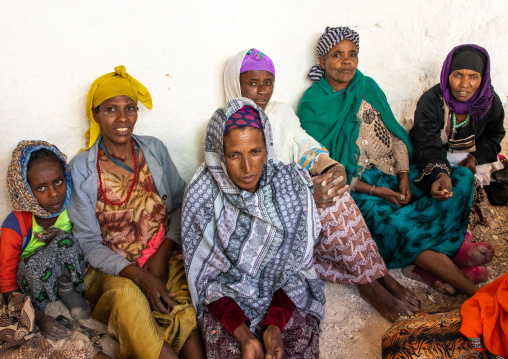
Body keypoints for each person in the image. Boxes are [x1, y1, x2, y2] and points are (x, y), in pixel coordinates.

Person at [223, 48, 420, 322]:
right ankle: (369, 286)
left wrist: (328, 165)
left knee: (333, 190)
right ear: (235, 83)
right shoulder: (224, 124)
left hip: (290, 191)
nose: (262, 92)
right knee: (324, 205)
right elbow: (240, 188)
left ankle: (377, 274)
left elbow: (300, 142)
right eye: (252, 84)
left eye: (267, 83)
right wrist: (302, 195)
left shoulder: (279, 112)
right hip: (261, 211)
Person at [298, 26, 492, 297]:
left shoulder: (368, 87)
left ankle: (430, 259)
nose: (346, 61)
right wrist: (378, 191)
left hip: (396, 172)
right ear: (322, 60)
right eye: (337, 55)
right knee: (396, 224)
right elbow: (324, 166)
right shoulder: (313, 103)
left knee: (459, 179)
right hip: (361, 188)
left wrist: (403, 175)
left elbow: (396, 137)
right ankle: (473, 291)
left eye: (352, 54)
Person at [67, 66, 204, 359]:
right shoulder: (82, 169)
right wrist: (139, 277)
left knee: (185, 308)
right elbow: (88, 243)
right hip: (113, 271)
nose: (122, 118)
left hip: (161, 258)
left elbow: (180, 202)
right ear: (96, 114)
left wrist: (164, 252)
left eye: (129, 108)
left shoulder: (153, 150)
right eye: (111, 109)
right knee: (130, 303)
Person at [182, 98, 325, 358]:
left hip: (285, 299)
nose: (247, 168)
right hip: (228, 308)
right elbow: (207, 282)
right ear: (218, 153)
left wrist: (274, 326)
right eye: (234, 155)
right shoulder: (202, 195)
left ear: (267, 146)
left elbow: (299, 270)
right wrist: (245, 336)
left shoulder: (290, 184)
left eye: (255, 152)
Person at [0, 140, 90, 341]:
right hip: (36, 289)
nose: (54, 193)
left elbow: (89, 243)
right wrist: (39, 318)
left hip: (70, 280)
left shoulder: (72, 208)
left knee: (64, 241)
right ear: (24, 190)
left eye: (58, 182)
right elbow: (6, 281)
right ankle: (50, 308)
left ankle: (71, 293)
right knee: (30, 265)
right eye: (41, 188)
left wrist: (63, 237)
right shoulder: (15, 225)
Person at [412, 45, 505, 206]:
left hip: (471, 155)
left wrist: (475, 160)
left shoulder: (489, 101)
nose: (464, 84)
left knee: (467, 183)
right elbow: (426, 144)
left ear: (483, 78)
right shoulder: (431, 101)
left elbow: (494, 135)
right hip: (437, 153)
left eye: (473, 76)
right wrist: (440, 173)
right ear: (447, 73)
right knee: (430, 184)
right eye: (458, 75)